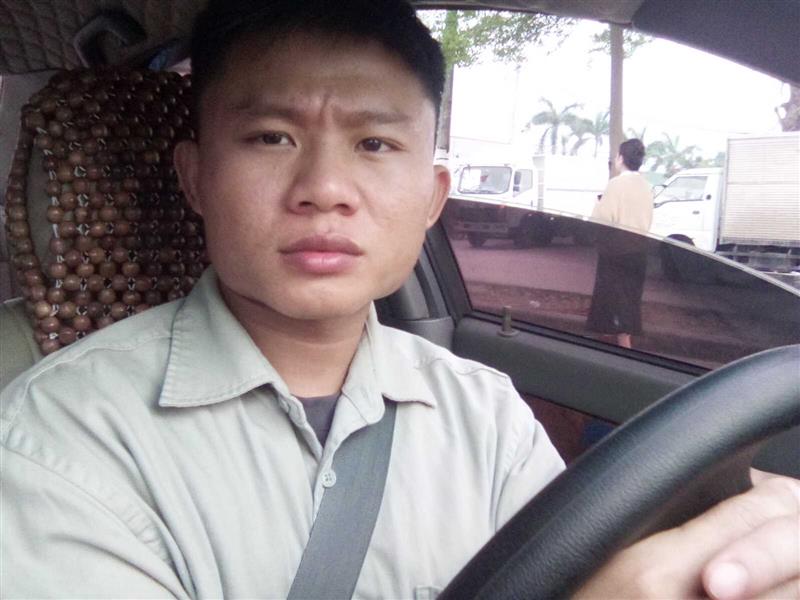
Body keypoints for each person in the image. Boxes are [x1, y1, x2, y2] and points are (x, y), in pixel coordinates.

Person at [1, 1, 797, 598]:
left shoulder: (487, 416)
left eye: (375, 143)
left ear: (431, 198)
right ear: (196, 178)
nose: (324, 189)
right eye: (272, 137)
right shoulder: (59, 438)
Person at [587, 138, 653, 349]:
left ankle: (622, 350)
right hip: (639, 250)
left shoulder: (616, 184)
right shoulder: (646, 186)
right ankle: (622, 344)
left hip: (617, 251)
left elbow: (602, 218)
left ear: (621, 158)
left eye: (617, 155)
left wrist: (598, 203)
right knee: (630, 300)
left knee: (613, 302)